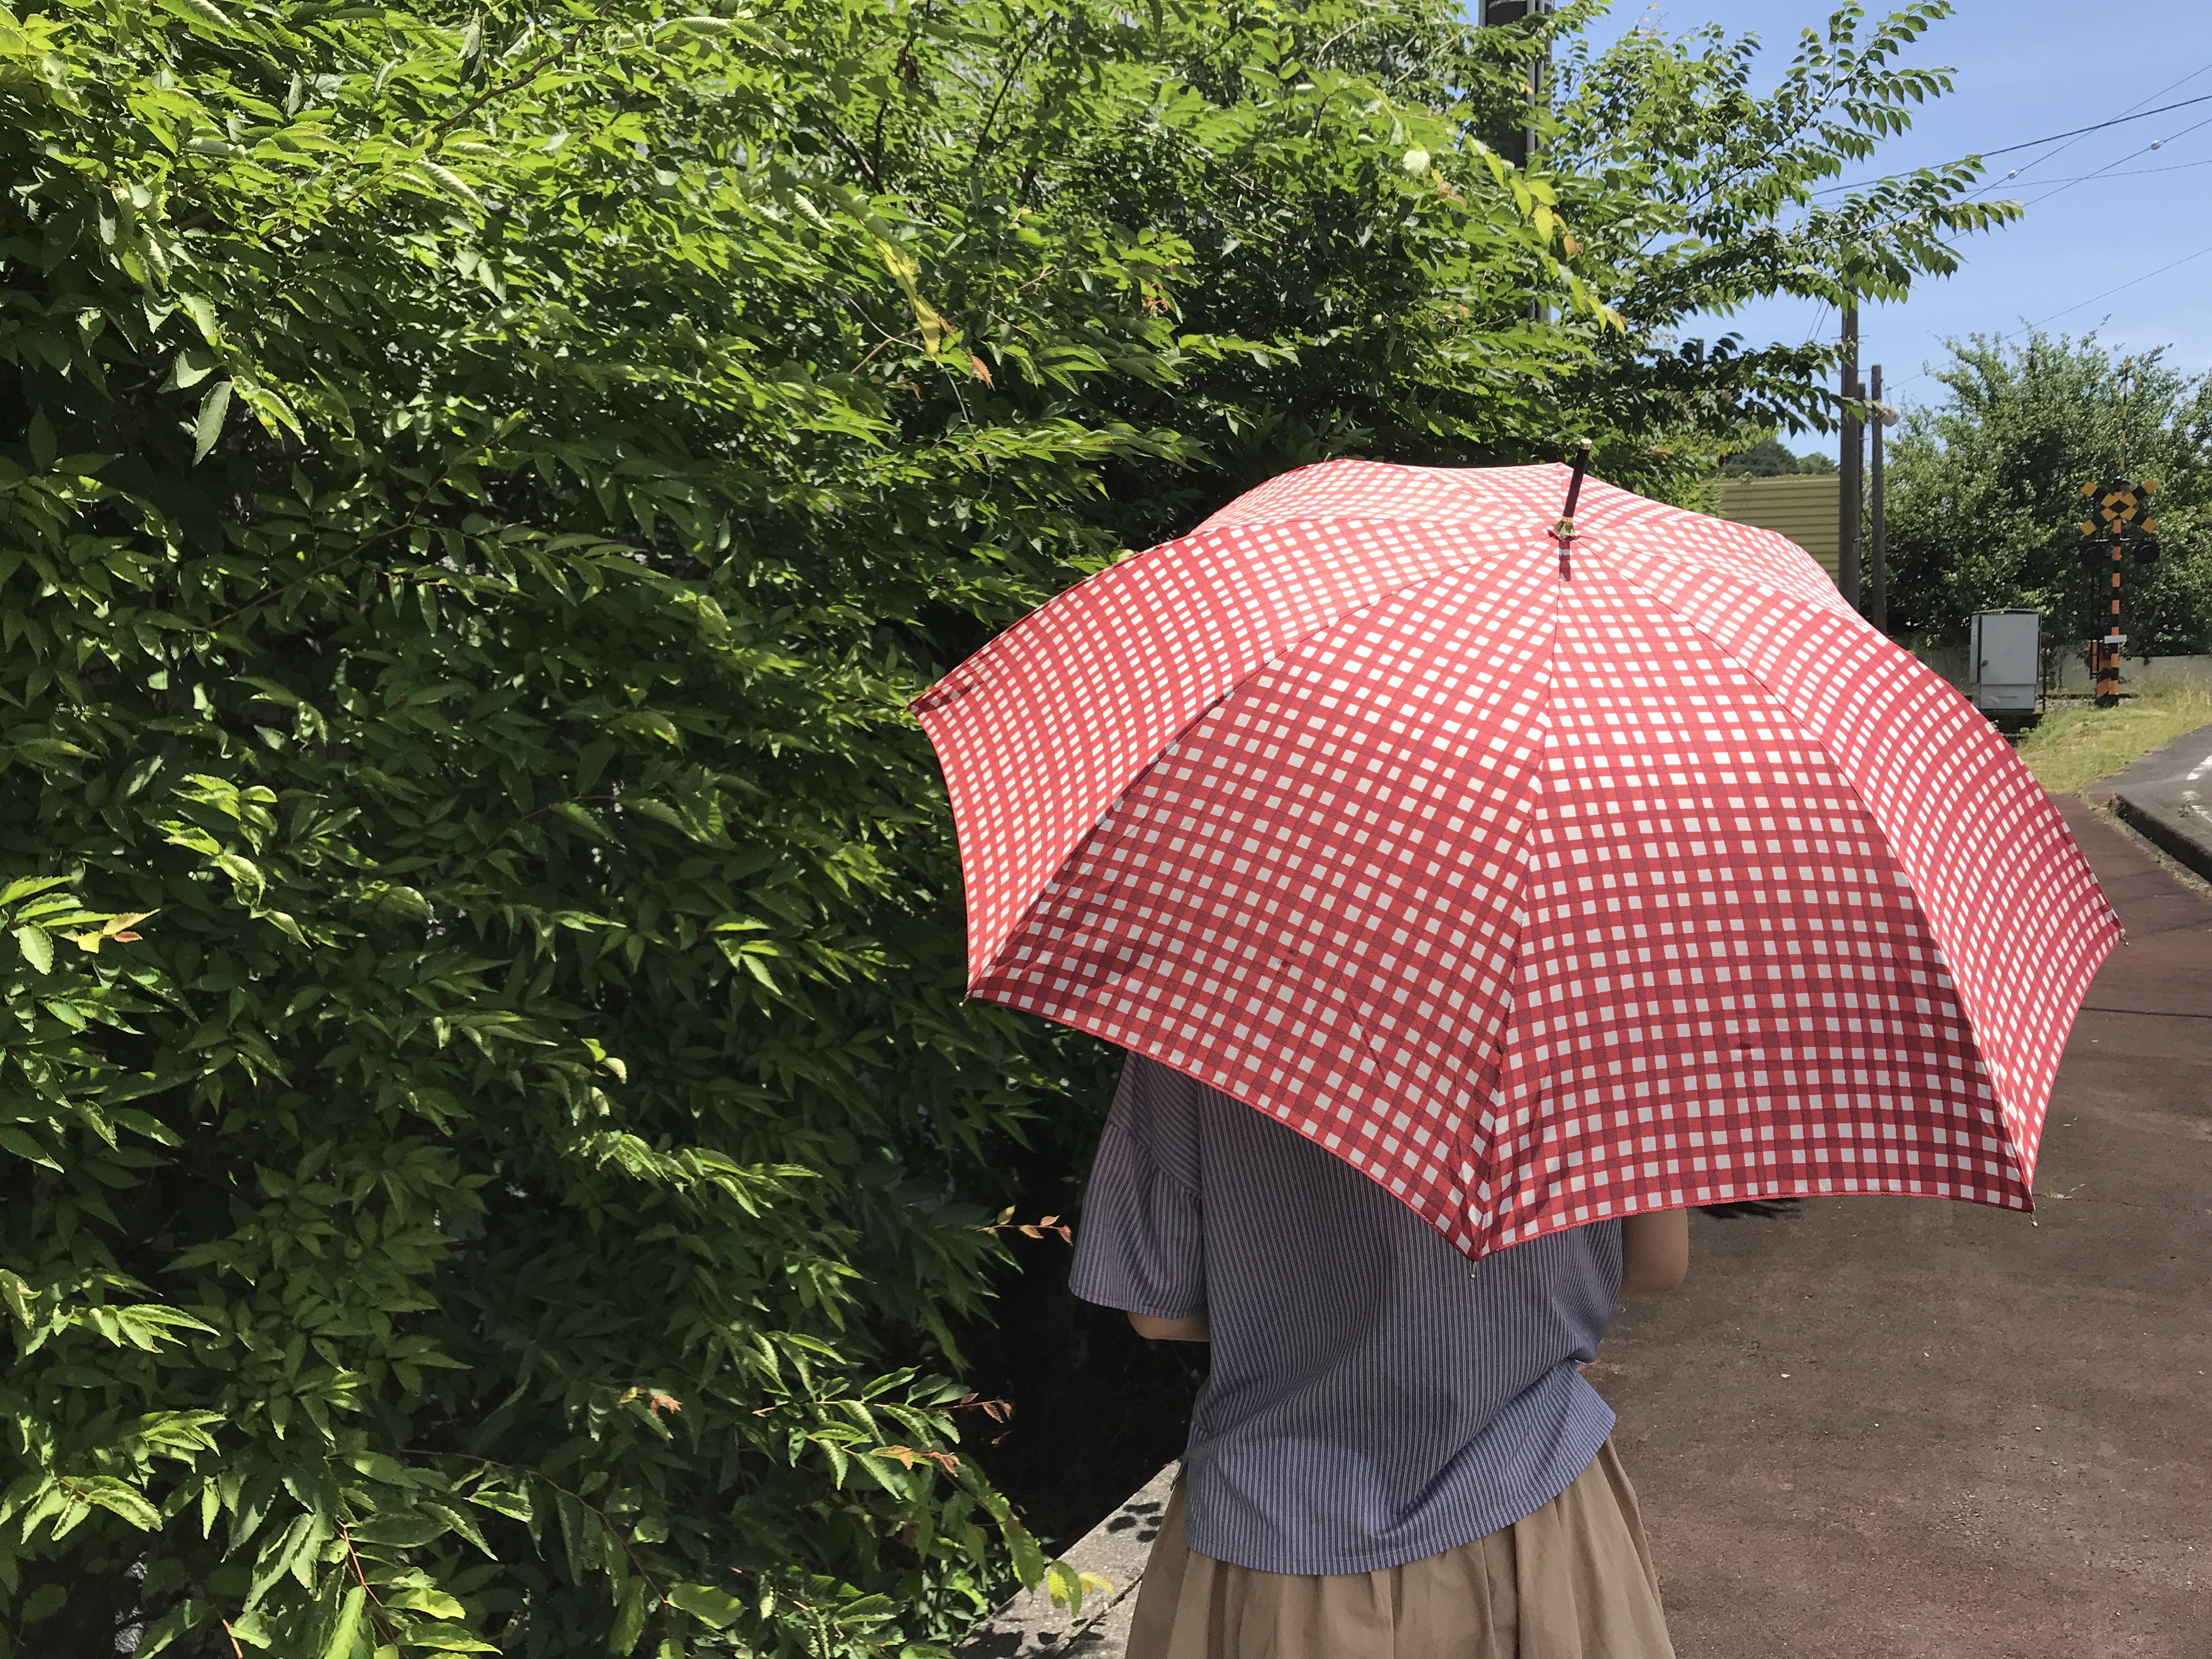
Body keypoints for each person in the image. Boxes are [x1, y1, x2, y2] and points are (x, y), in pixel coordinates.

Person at [1069, 1052, 1689, 1659]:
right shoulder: (1586, 990)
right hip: (1537, 1518)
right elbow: (1658, 1264)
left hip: (1283, 1542)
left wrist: (1310, 1318)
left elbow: (1159, 1313)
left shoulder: (1196, 1014)